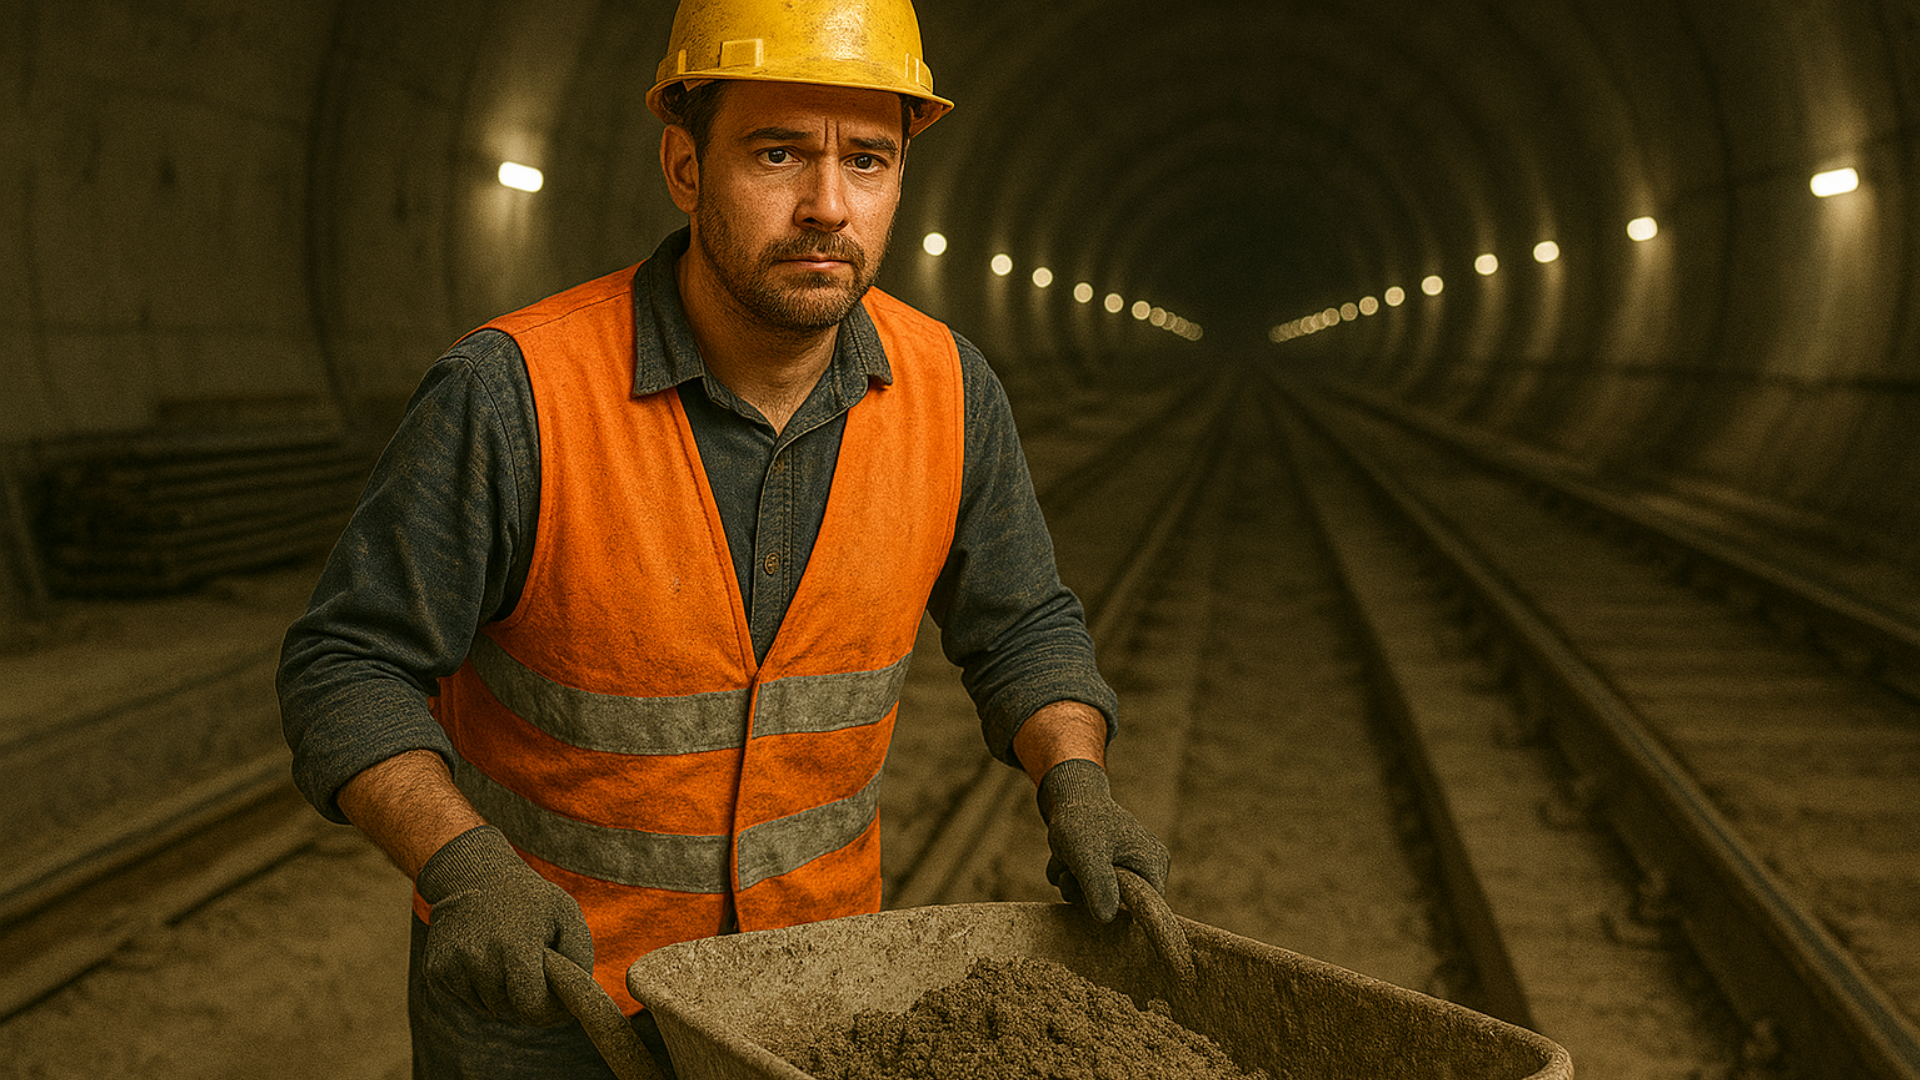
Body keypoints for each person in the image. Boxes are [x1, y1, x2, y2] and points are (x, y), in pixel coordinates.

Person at [277, 0, 1169, 1076]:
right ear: (686, 168)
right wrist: (462, 863)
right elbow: (346, 664)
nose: (827, 205)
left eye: (868, 160)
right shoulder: (515, 396)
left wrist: (1076, 780)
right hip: (550, 1004)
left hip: (808, 1001)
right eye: (777, 152)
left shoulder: (950, 392)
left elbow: (1023, 626)